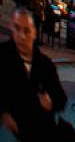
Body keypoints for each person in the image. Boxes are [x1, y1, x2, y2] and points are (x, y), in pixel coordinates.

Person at [0, 8, 68, 141]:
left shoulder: (45, 65)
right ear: (11, 28)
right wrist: (4, 112)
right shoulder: (3, 56)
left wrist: (51, 101)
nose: (21, 36)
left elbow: (61, 98)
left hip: (43, 131)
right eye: (17, 28)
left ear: (34, 33)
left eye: (26, 31)